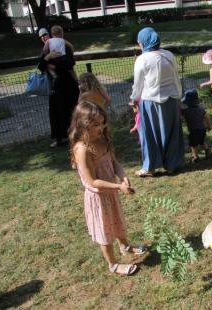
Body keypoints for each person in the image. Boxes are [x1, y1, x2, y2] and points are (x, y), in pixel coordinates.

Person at [69, 101, 147, 276]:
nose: (101, 128)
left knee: (117, 221)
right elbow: (92, 181)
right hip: (98, 198)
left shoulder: (102, 140)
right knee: (105, 231)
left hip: (111, 192)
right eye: (96, 124)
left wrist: (123, 177)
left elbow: (114, 163)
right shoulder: (82, 150)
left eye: (102, 123)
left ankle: (125, 246)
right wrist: (118, 186)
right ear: (82, 124)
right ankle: (113, 264)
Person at [130, 27, 184, 177]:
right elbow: (175, 78)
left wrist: (134, 98)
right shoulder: (169, 55)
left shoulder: (142, 59)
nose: (139, 45)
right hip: (171, 100)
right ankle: (172, 164)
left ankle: (149, 167)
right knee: (172, 133)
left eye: (139, 42)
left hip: (150, 102)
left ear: (143, 42)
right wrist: (178, 96)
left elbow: (138, 84)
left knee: (150, 135)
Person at [37, 26, 79, 148]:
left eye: (46, 34)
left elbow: (70, 63)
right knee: (56, 112)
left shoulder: (65, 45)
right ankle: (59, 138)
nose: (44, 37)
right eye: (42, 36)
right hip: (55, 85)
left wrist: (54, 66)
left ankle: (76, 134)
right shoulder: (46, 50)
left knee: (73, 109)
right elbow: (40, 66)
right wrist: (48, 57)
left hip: (68, 83)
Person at [181, 89, 212, 163]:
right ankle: (207, 151)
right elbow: (207, 117)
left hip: (193, 131)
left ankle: (195, 157)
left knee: (193, 145)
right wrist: (209, 126)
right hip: (202, 129)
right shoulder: (201, 109)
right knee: (202, 141)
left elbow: (180, 117)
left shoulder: (186, 111)